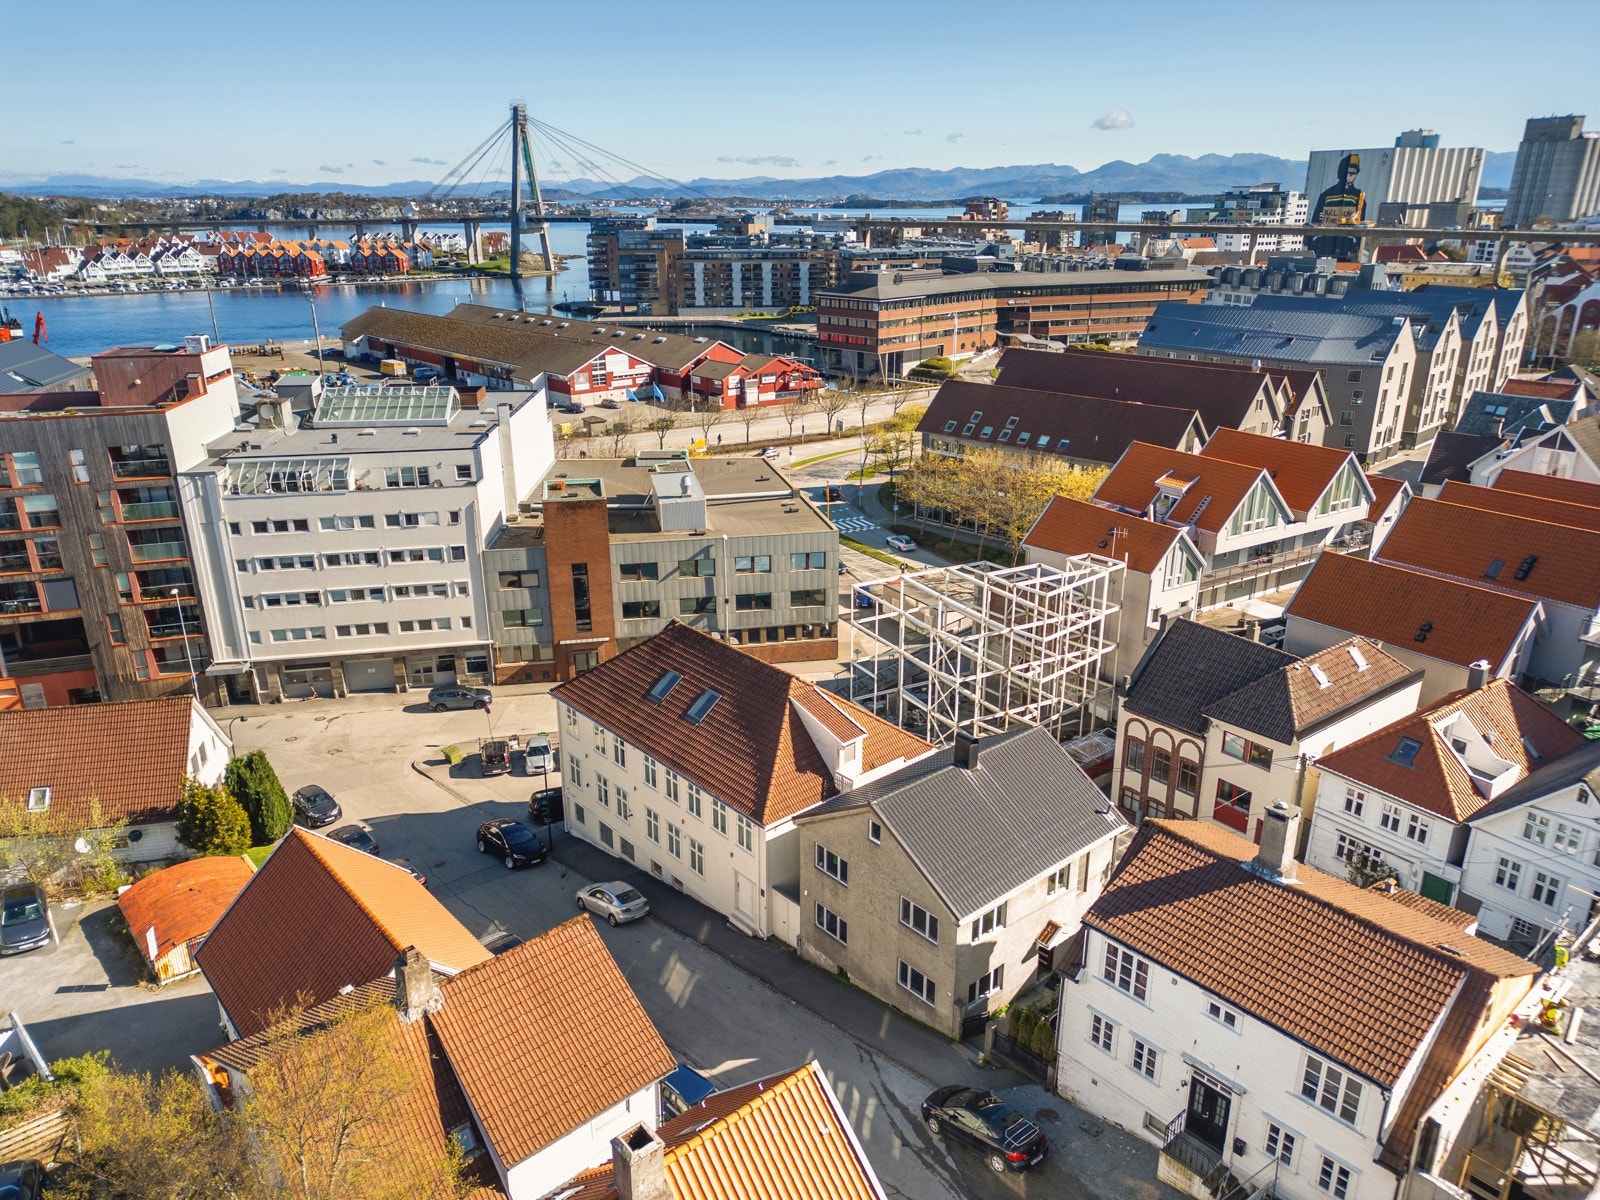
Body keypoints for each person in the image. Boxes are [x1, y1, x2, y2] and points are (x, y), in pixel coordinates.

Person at [1308, 154, 1366, 260]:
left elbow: (1361, 225)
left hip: (1346, 246)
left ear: (1356, 174)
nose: (1349, 176)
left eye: (1352, 173)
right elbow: (1314, 222)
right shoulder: (1326, 195)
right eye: (1347, 173)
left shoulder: (1359, 197)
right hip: (1324, 243)